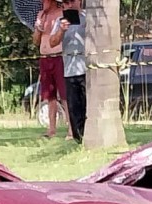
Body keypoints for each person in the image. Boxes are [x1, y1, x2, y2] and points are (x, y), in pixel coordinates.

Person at [32, 0, 71, 139]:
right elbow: (35, 41)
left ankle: (71, 129)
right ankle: (52, 129)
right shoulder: (41, 15)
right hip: (44, 57)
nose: (43, 3)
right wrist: (38, 29)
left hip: (58, 56)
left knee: (64, 94)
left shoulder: (62, 14)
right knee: (50, 95)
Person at [50, 0, 86, 143]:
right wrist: (61, 30)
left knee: (86, 105)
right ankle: (78, 138)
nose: (69, 5)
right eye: (66, 2)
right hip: (69, 69)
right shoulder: (60, 21)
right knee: (73, 107)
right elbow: (52, 42)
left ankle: (87, 134)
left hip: (85, 68)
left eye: (72, 1)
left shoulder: (88, 18)